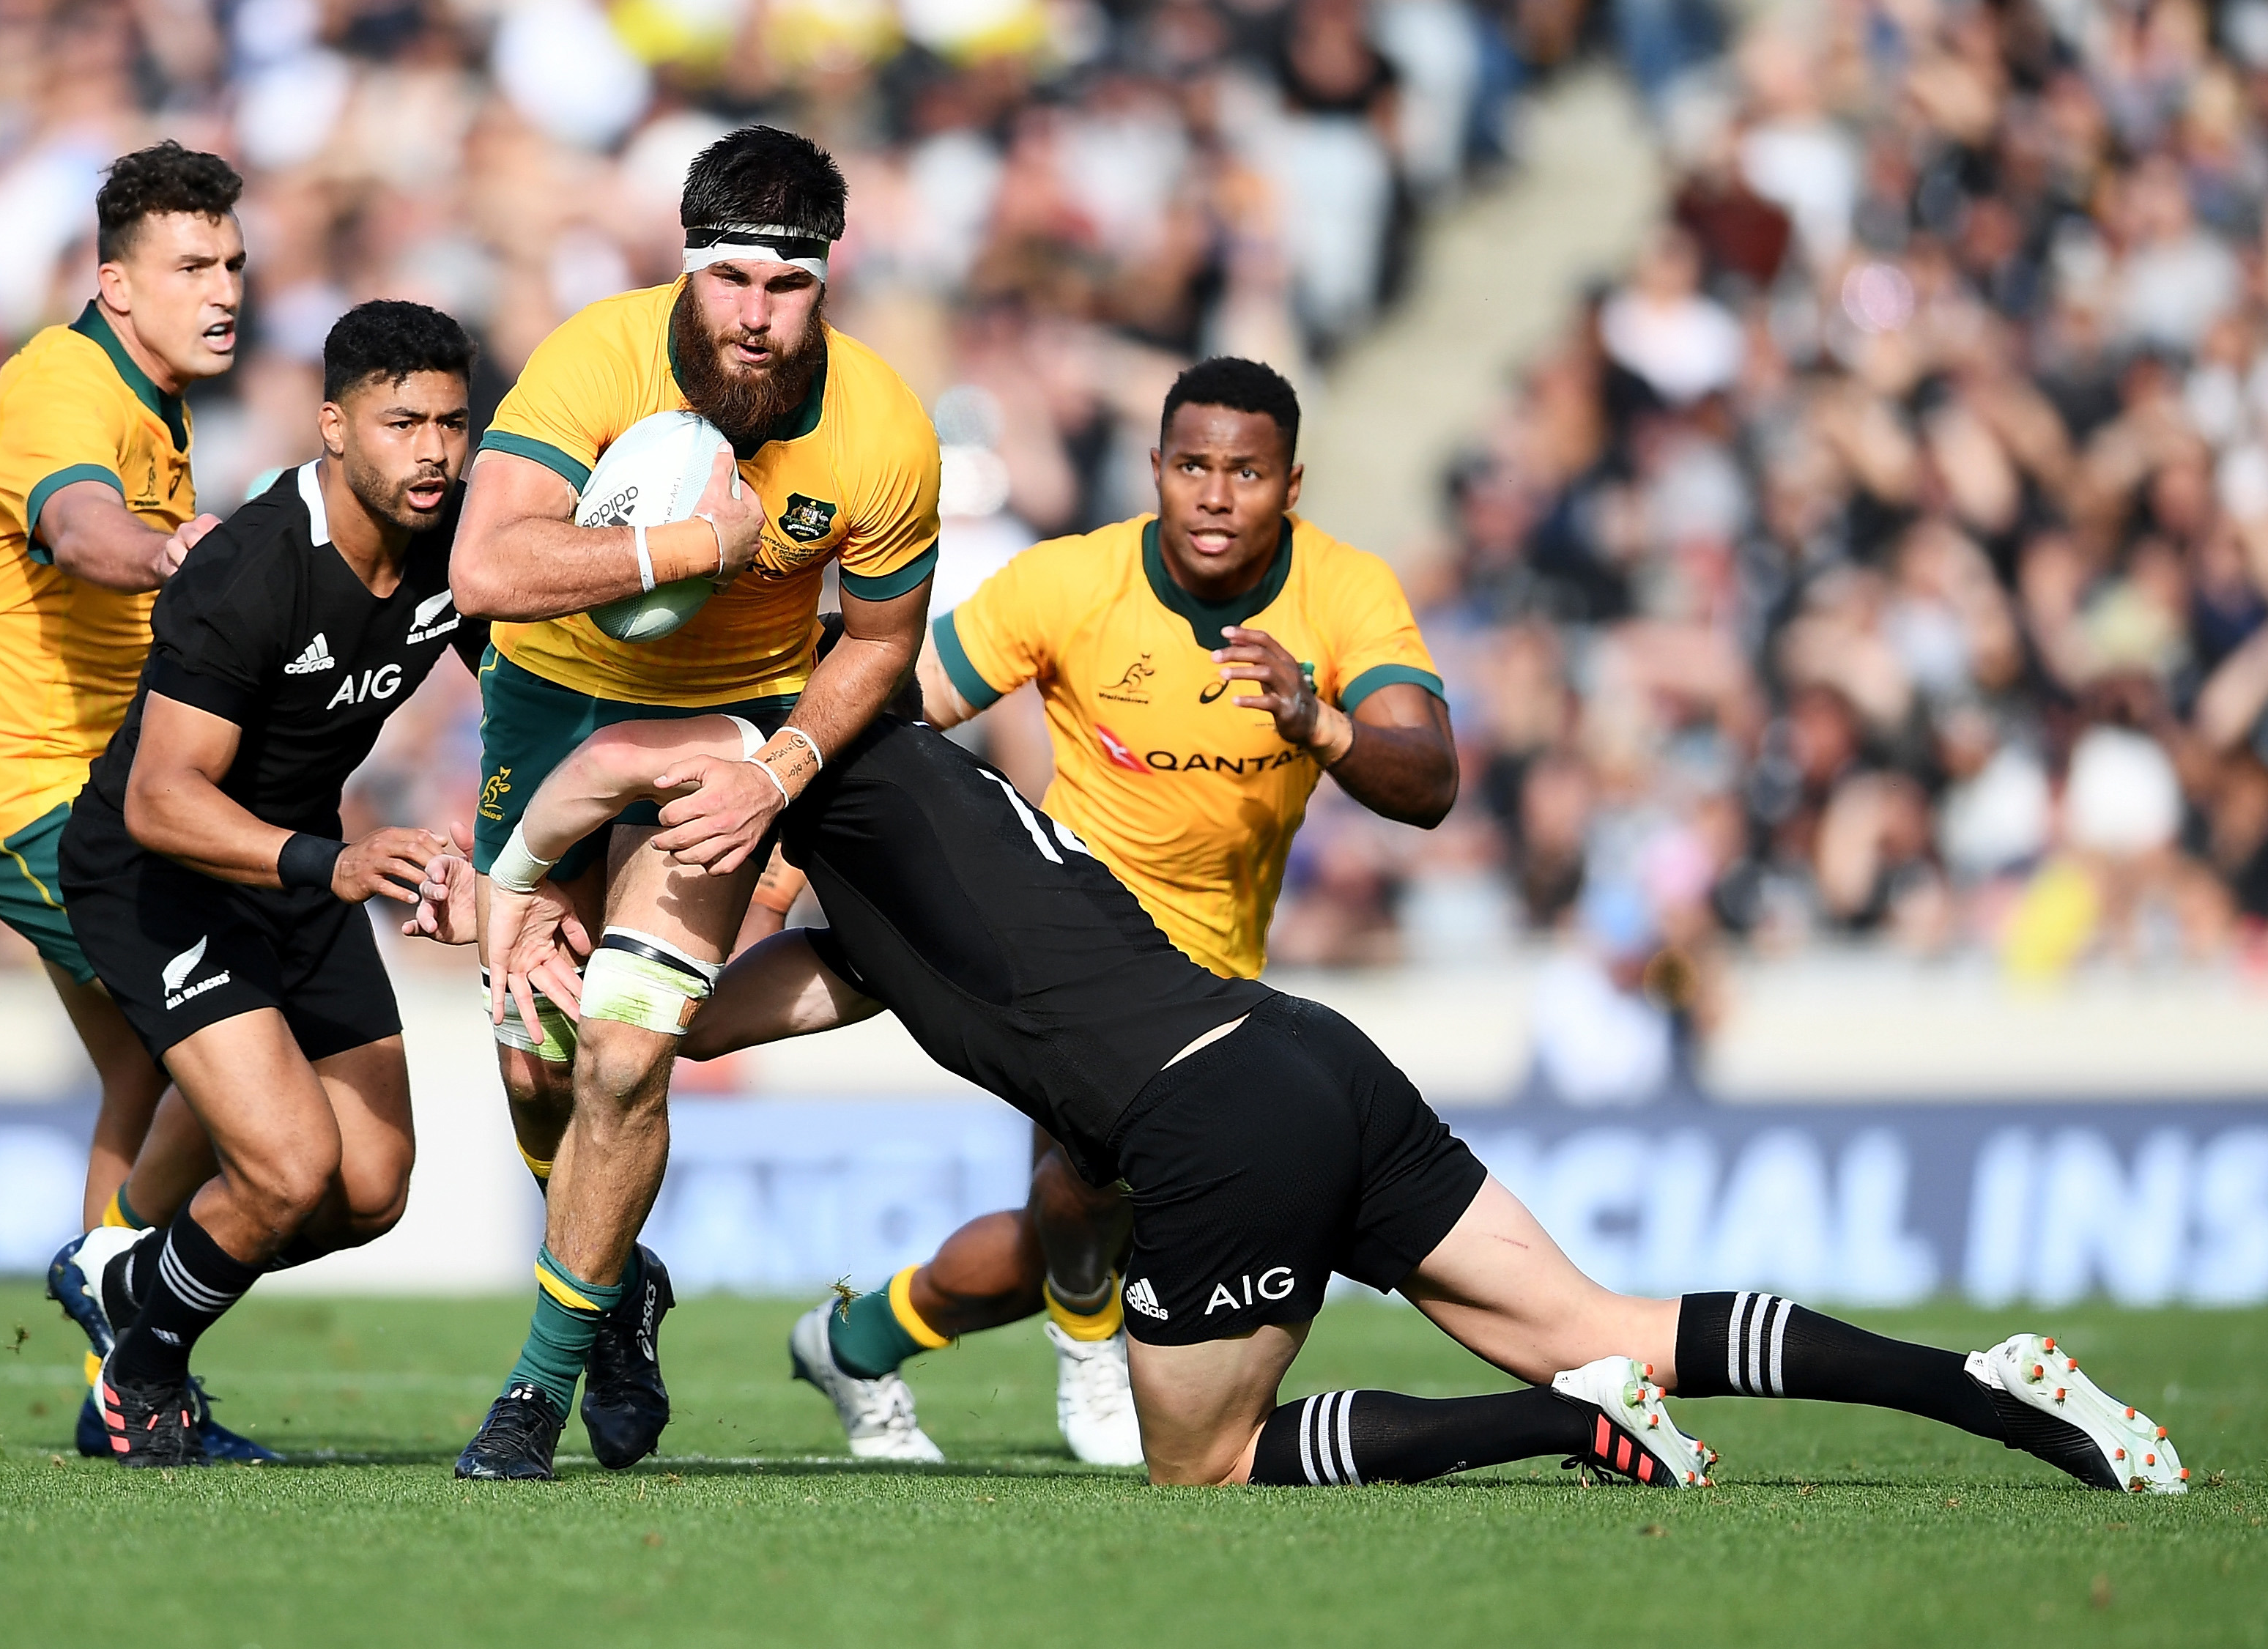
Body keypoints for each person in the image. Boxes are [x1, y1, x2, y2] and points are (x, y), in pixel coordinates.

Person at [437, 709, 2185, 1496]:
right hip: (1314, 1055)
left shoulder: (793, 753)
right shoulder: (924, 835)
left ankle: (1567, 1429)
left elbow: (619, 760)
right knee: (1607, 1316)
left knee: (1201, 1464)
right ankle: (1987, 1388)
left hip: (1212, 1125)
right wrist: (590, 975)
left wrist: (509, 883)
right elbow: (766, 993)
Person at [771, 357, 1458, 1465]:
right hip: (1061, 943)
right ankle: (1089, 1352)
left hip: (1223, 978)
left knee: (1086, 1216)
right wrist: (787, 844)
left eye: (1246, 471)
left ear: (1291, 483)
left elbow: (1428, 781)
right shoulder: (1070, 583)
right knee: (1087, 1190)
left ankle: (855, 1339)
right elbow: (899, 708)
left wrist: (1319, 724)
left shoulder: (1345, 592)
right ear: (1155, 470)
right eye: (1192, 465)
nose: (1215, 494)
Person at [444, 125, 939, 1478]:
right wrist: (699, 544)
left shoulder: (885, 432)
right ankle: (614, 1291)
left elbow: (884, 643)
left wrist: (779, 772)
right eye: (731, 281)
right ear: (687, 267)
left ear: (828, 280)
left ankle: (533, 1394)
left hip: (726, 734)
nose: (757, 318)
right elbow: (484, 570)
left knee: (624, 1050)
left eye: (787, 288)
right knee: (534, 1067)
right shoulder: (592, 356)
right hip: (547, 707)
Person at [52, 300, 483, 1466]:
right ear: (334, 426)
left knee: (371, 1189)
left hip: (301, 863)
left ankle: (125, 1270)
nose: (435, 450)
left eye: (452, 421)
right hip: (162, 873)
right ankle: (138, 1384)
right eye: (403, 423)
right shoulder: (249, 567)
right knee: (288, 1168)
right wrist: (335, 863)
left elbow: (531, 712)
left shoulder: (459, 547)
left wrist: (497, 871)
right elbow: (160, 799)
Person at [0, 141, 267, 1461]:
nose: (223, 288)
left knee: (142, 1066)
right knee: (230, 1061)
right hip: (29, 802)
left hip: (100, 800)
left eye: (232, 262)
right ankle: (125, 1318)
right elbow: (81, 528)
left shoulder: (156, 394)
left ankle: (118, 1390)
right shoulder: (60, 391)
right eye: (191, 267)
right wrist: (168, 552)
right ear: (114, 283)